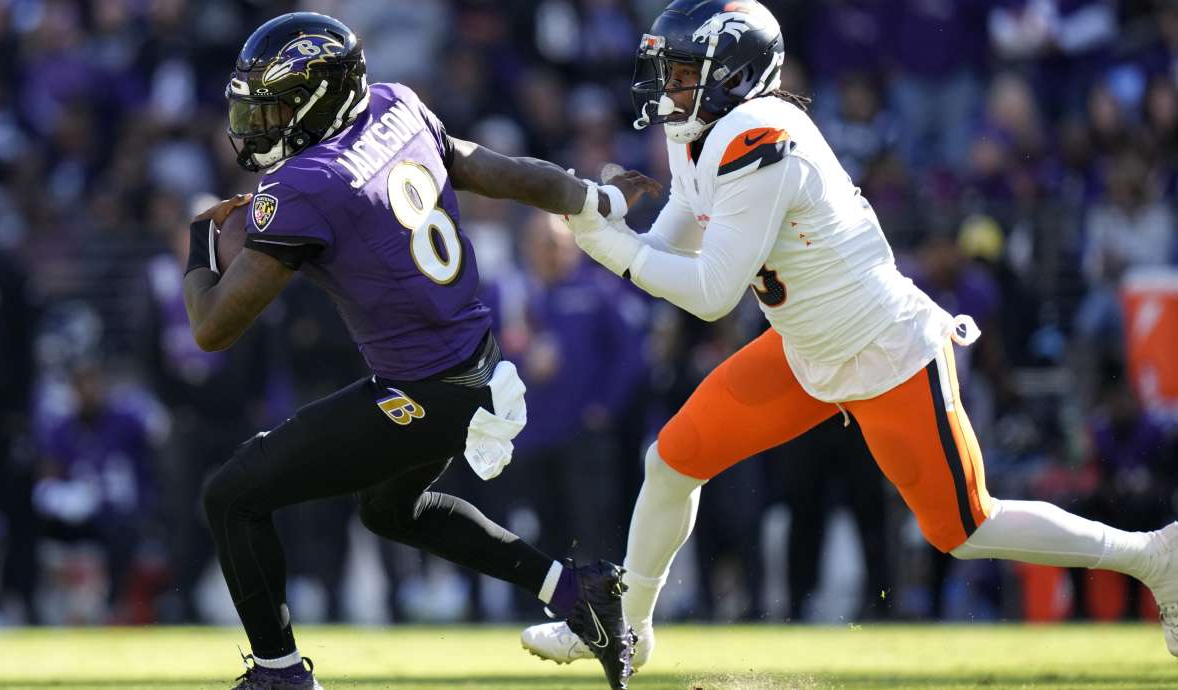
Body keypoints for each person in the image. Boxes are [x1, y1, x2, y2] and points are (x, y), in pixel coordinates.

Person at [521, 0, 1178, 671]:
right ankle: (628, 630)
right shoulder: (700, 132)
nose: (669, 88)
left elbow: (712, 295)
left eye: (685, 71)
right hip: (806, 350)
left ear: (736, 76)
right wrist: (611, 228)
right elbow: (670, 244)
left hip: (882, 350)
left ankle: (1153, 556)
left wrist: (612, 249)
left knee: (966, 527)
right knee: (670, 463)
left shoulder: (758, 135)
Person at [183, 12, 652, 690]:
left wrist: (198, 245)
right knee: (389, 508)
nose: (262, 123)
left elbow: (212, 328)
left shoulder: (307, 185)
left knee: (232, 496)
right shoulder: (396, 107)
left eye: (279, 106)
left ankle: (280, 676)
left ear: (320, 99)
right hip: (473, 365)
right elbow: (498, 171)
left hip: (427, 390)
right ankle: (578, 594)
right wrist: (594, 195)